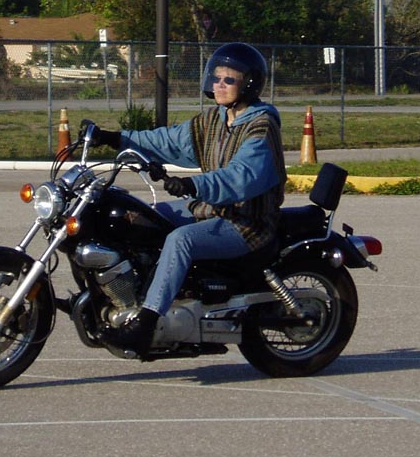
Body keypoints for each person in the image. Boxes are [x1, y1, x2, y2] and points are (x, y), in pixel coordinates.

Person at [87, 42, 287, 359]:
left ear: (248, 84)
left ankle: (145, 324)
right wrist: (114, 138)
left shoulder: (260, 127)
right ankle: (138, 294)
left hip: (246, 223)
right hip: (214, 210)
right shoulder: (214, 119)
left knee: (180, 240)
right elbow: (168, 140)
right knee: (146, 217)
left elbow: (241, 177)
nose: (219, 85)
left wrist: (193, 184)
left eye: (229, 79)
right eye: (216, 78)